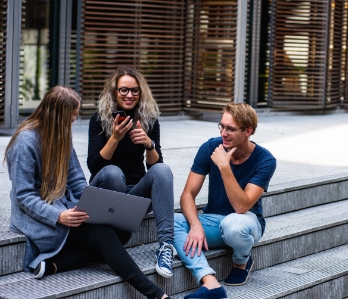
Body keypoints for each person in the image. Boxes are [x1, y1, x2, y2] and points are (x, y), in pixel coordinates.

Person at [4, 85, 170, 299]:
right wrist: (59, 216)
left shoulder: (61, 135)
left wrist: (92, 205)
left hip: (66, 209)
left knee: (122, 232)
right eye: (73, 114)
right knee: (104, 235)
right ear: (59, 115)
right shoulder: (24, 142)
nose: (74, 119)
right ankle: (155, 294)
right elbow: (24, 196)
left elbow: (77, 180)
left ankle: (56, 264)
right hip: (41, 218)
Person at [174, 103, 277, 299]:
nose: (223, 133)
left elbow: (242, 206)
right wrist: (195, 225)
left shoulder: (265, 160)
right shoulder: (210, 147)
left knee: (234, 225)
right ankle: (209, 282)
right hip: (212, 220)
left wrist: (224, 167)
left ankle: (242, 260)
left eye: (230, 129)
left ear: (248, 131)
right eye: (221, 126)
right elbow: (187, 194)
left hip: (246, 222)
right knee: (170, 221)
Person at [87, 65, 176, 279]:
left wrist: (149, 145)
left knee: (163, 170)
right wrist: (115, 138)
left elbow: (156, 169)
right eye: (123, 90)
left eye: (134, 90)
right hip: (107, 192)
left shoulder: (148, 119)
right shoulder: (99, 119)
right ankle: (112, 238)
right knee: (113, 173)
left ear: (141, 92)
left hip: (135, 196)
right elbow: (94, 167)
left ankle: (166, 247)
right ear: (114, 91)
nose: (129, 95)